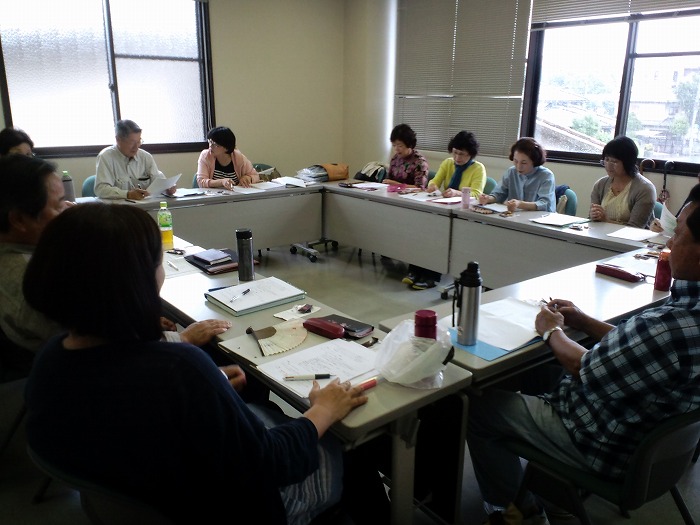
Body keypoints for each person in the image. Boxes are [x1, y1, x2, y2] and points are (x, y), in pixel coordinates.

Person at [23, 203, 388, 524]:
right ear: (136, 283)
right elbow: (273, 464)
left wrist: (204, 395)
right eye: (157, 263)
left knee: (258, 402)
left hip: (154, 492)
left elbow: (126, 407)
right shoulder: (179, 370)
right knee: (357, 447)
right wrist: (322, 411)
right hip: (230, 508)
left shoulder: (52, 359)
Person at [465, 184, 700, 524]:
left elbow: (584, 366)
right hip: (652, 443)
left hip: (600, 440)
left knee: (478, 406)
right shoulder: (679, 318)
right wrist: (585, 322)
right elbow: (638, 349)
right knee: (544, 370)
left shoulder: (670, 326)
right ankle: (553, 492)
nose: (668, 243)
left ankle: (519, 511)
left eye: (677, 236)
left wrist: (551, 329)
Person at [0, 155, 227, 378]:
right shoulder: (28, 279)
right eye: (59, 204)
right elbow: (106, 353)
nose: (70, 207)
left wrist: (130, 316)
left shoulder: (34, 258)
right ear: (19, 220)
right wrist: (183, 340)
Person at [401, 130, 486, 290]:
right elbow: (436, 180)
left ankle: (431, 276)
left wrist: (457, 193)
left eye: (462, 154)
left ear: (471, 155)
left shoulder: (478, 169)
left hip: (463, 216)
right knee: (421, 230)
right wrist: (432, 185)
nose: (457, 158)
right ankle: (414, 270)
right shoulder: (448, 163)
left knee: (436, 235)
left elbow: (476, 194)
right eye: (455, 153)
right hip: (444, 210)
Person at [95, 119, 176, 200]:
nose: (136, 147)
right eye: (132, 142)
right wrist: (127, 194)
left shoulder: (145, 157)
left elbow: (158, 181)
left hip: (146, 207)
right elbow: (101, 189)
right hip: (118, 209)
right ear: (118, 140)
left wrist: (167, 188)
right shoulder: (106, 157)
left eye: (138, 142)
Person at [589, 135, 656, 229]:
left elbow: (635, 228)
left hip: (633, 241)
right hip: (601, 237)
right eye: (606, 160)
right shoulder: (600, 185)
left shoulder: (644, 189)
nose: (608, 165)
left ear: (628, 162)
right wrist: (593, 216)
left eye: (614, 161)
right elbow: (591, 221)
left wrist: (606, 221)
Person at [479, 137, 555, 212]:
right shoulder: (511, 172)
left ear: (534, 161)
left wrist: (520, 204)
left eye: (524, 163)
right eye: (515, 161)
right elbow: (499, 194)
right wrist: (488, 198)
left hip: (540, 219)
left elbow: (545, 204)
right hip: (516, 217)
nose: (518, 166)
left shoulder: (546, 176)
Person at [384, 123, 429, 188]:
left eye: (400, 145)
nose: (396, 149)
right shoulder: (395, 158)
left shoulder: (420, 162)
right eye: (394, 145)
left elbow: (420, 188)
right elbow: (389, 180)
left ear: (409, 144)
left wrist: (397, 184)